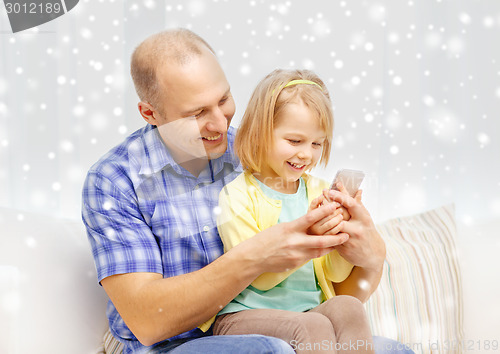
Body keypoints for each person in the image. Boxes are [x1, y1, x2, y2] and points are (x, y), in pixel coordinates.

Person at [82, 28, 413, 354]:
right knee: (273, 350)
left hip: (290, 325)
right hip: (175, 346)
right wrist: (256, 257)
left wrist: (367, 258)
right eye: (196, 114)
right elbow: (148, 322)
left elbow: (329, 294)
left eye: (223, 99)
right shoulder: (115, 181)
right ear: (150, 113)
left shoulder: (259, 151)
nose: (220, 124)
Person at [211, 69, 374, 354]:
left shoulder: (318, 192)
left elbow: (334, 275)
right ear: (260, 134)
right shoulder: (237, 196)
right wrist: (309, 239)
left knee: (348, 306)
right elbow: (258, 277)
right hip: (243, 315)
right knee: (312, 325)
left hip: (309, 309)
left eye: (316, 144)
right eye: (295, 141)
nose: (306, 154)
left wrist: (340, 237)